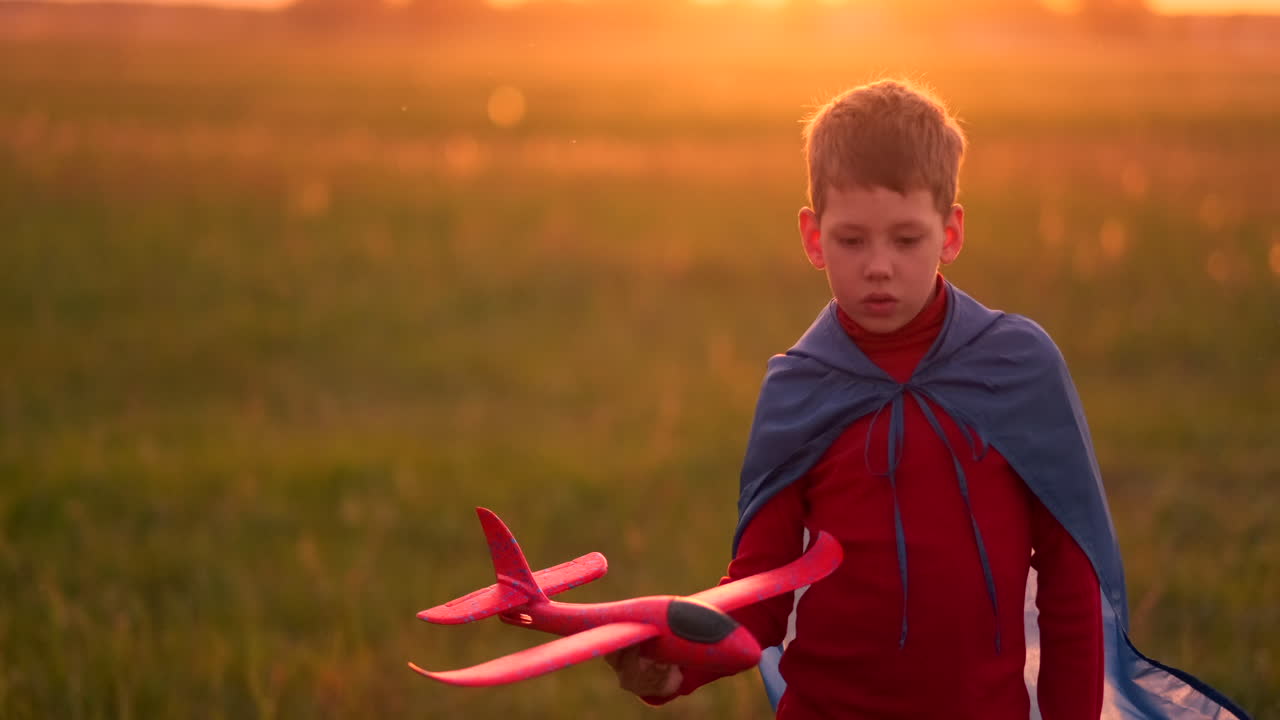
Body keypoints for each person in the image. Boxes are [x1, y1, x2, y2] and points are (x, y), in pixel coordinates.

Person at [605, 79, 1250, 720]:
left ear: (951, 233)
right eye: (851, 240)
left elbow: (1069, 585)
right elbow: (763, 592)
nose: (878, 265)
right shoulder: (799, 386)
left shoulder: (1018, 367)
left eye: (906, 239)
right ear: (811, 236)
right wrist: (673, 668)